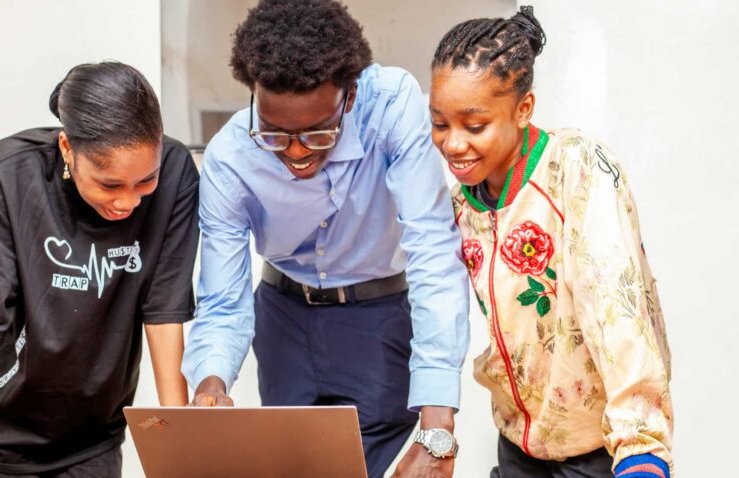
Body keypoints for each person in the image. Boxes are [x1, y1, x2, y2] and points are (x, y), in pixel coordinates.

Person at [181, 1, 470, 477]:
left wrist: (438, 425)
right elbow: (223, 299)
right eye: (275, 135)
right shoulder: (230, 156)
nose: (296, 152)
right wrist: (210, 383)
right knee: (289, 468)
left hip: (378, 321)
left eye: (318, 134)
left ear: (349, 98)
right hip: (283, 321)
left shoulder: (390, 105)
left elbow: (433, 248)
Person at [429, 6, 673, 478]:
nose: (454, 144)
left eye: (474, 126)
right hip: (519, 445)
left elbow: (617, 307)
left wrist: (640, 446)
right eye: (440, 124)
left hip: (603, 449)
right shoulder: (462, 204)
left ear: (523, 110)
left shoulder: (574, 168)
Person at [0, 61, 199, 477]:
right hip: (1, 429)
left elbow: (165, 311)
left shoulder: (175, 174)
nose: (128, 202)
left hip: (93, 437)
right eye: (109, 184)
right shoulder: (6, 178)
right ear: (67, 148)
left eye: (144, 182)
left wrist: (180, 457)